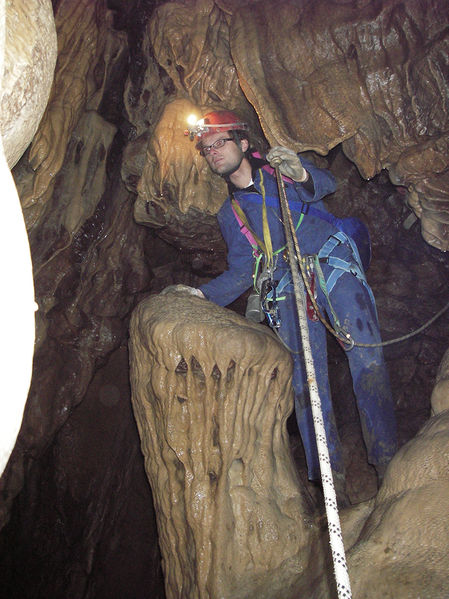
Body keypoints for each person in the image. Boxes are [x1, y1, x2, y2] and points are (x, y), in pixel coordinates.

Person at [186, 110, 397, 501]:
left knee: (367, 358)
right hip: (286, 285)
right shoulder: (229, 214)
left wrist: (299, 173)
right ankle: (330, 486)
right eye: (207, 148)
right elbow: (241, 270)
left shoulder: (280, 171)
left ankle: (387, 465)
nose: (213, 152)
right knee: (305, 386)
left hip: (330, 262)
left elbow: (325, 184)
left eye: (221, 143)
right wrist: (199, 295)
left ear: (244, 144)